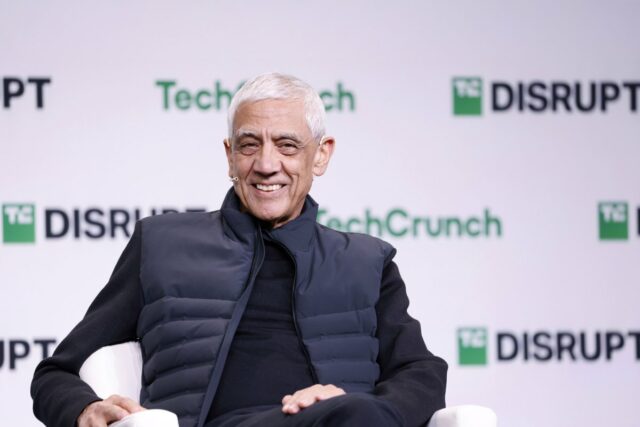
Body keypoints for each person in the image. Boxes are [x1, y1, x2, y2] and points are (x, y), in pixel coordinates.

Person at [31, 73, 447, 427]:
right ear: (230, 157)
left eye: (287, 145)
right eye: (249, 145)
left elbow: (422, 372)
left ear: (321, 156)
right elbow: (56, 373)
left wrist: (364, 408)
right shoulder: (162, 245)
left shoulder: (366, 262)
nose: (267, 164)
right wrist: (83, 407)